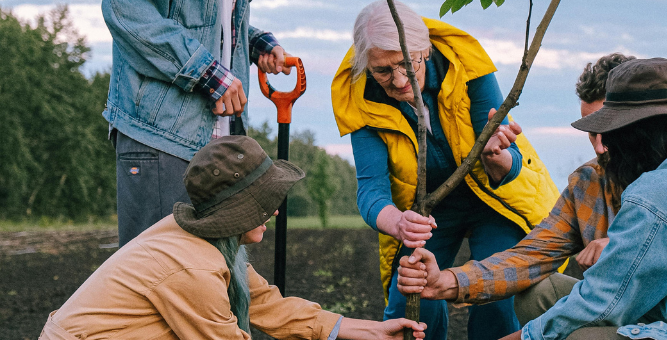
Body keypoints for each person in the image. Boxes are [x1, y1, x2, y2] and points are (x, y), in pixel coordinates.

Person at [401, 58, 667, 340]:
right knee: (541, 292)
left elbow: (602, 301)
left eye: (609, 131)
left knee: (580, 336)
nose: (600, 146)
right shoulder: (591, 181)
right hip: (664, 307)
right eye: (594, 132)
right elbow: (532, 255)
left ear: (637, 132)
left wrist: (525, 337)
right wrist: (449, 280)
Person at [39, 136, 426, 340]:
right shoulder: (193, 267)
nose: (275, 212)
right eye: (265, 204)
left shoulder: (212, 243)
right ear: (238, 211)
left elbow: (264, 303)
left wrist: (371, 331)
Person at [330, 0, 561, 340]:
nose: (399, 80)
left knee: (496, 295)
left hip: (495, 201)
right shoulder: (359, 97)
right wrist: (399, 222)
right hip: (428, 211)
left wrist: (495, 156)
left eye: (407, 63)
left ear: (425, 50)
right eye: (382, 71)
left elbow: (509, 164)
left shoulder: (466, 64)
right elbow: (371, 190)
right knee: (411, 297)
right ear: (367, 66)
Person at [102, 0, 302, 247]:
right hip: (161, 137)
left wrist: (255, 43)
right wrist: (209, 73)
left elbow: (209, 20)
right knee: (162, 270)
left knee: (214, 270)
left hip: (219, 139)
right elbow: (127, 8)